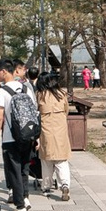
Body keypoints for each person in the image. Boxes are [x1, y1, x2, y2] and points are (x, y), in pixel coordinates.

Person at [0, 60, 39, 211]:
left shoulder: (1, 91)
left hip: (10, 137)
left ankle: (20, 207)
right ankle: (25, 198)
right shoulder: (25, 88)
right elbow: (34, 113)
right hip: (27, 135)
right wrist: (36, 136)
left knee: (13, 170)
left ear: (4, 71)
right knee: (24, 169)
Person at [37, 72, 74, 200]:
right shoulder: (62, 94)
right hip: (60, 130)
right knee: (61, 160)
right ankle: (64, 185)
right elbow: (66, 110)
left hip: (46, 130)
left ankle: (46, 186)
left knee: (46, 160)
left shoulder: (40, 95)